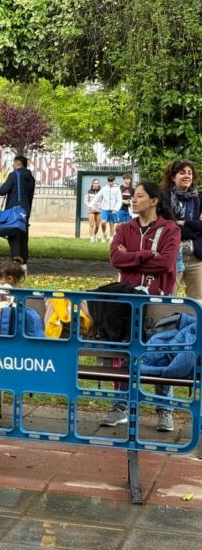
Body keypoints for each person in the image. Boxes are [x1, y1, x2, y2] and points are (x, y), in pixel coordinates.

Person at [102, 181, 180, 431]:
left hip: (159, 302)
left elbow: (166, 263)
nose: (133, 200)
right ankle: (120, 406)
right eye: (133, 196)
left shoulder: (170, 229)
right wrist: (146, 256)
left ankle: (164, 410)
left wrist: (131, 259)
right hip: (128, 302)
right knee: (127, 351)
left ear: (153, 200)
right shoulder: (125, 228)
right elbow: (116, 258)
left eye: (139, 196)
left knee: (162, 352)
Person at [162, 159, 202, 300]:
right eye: (182, 172)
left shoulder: (198, 198)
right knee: (167, 299)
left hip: (195, 256)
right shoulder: (163, 197)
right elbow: (167, 226)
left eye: (190, 173)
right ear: (173, 177)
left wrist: (183, 222)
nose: (187, 176)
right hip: (171, 255)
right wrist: (193, 230)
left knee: (198, 301)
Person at [0, 155, 35, 267]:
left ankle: (16, 264)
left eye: (14, 163)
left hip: (14, 210)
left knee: (14, 237)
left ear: (18, 164)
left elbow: (2, 191)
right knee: (23, 238)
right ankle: (24, 265)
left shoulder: (14, 175)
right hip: (25, 210)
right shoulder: (31, 178)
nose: (13, 165)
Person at [94, 174, 122, 242]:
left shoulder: (117, 189)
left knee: (111, 224)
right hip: (105, 209)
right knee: (103, 222)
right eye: (109, 181)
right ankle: (104, 234)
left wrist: (116, 208)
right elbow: (98, 196)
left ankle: (111, 238)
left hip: (113, 209)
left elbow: (119, 200)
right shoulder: (104, 188)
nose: (110, 182)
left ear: (114, 180)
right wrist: (92, 204)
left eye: (111, 181)